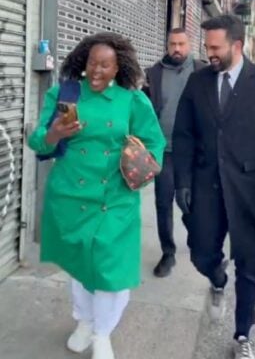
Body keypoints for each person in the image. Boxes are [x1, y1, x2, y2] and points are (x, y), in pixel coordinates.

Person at [28, 33, 165, 359]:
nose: (97, 71)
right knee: (80, 268)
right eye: (92, 63)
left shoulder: (133, 101)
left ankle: (103, 332)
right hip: (71, 198)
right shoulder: (65, 94)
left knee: (111, 274)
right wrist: (55, 133)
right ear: (83, 64)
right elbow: (37, 143)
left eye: (105, 65)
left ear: (118, 68)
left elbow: (155, 144)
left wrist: (141, 167)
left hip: (114, 199)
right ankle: (85, 323)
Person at [172, 15, 255, 359]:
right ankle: (216, 279)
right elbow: (183, 135)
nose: (208, 53)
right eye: (206, 46)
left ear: (236, 46)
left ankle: (243, 335)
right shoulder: (197, 82)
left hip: (252, 191)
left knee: (251, 267)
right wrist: (182, 181)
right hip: (206, 187)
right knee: (200, 252)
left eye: (215, 47)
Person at [142, 28, 207, 278]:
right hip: (165, 150)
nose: (177, 49)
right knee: (163, 202)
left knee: (193, 202)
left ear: (189, 45)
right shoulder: (154, 73)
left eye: (181, 44)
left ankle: (199, 243)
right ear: (167, 45)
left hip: (195, 152)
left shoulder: (202, 71)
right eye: (172, 44)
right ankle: (168, 252)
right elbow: (145, 108)